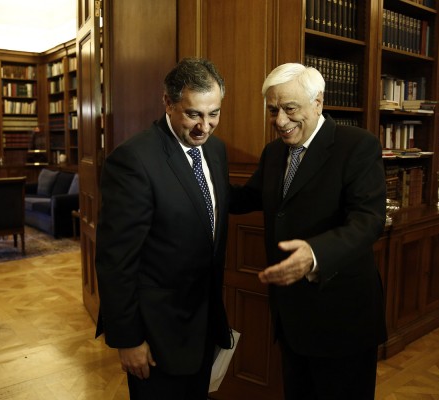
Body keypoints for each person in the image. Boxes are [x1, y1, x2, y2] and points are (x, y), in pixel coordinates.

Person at [230, 63, 387, 399]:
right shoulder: (274, 152)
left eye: (290, 108)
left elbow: (368, 220)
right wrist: (199, 178)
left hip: (341, 315)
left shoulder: (357, 145)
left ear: (318, 102)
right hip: (291, 315)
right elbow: (248, 197)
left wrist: (315, 254)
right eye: (273, 110)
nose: (280, 121)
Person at [94, 58, 232, 400]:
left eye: (213, 114)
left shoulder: (215, 150)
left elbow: (211, 205)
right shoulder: (133, 160)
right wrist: (128, 339)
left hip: (204, 324)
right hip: (157, 335)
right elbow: (116, 261)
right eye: (193, 114)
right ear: (168, 103)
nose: (204, 127)